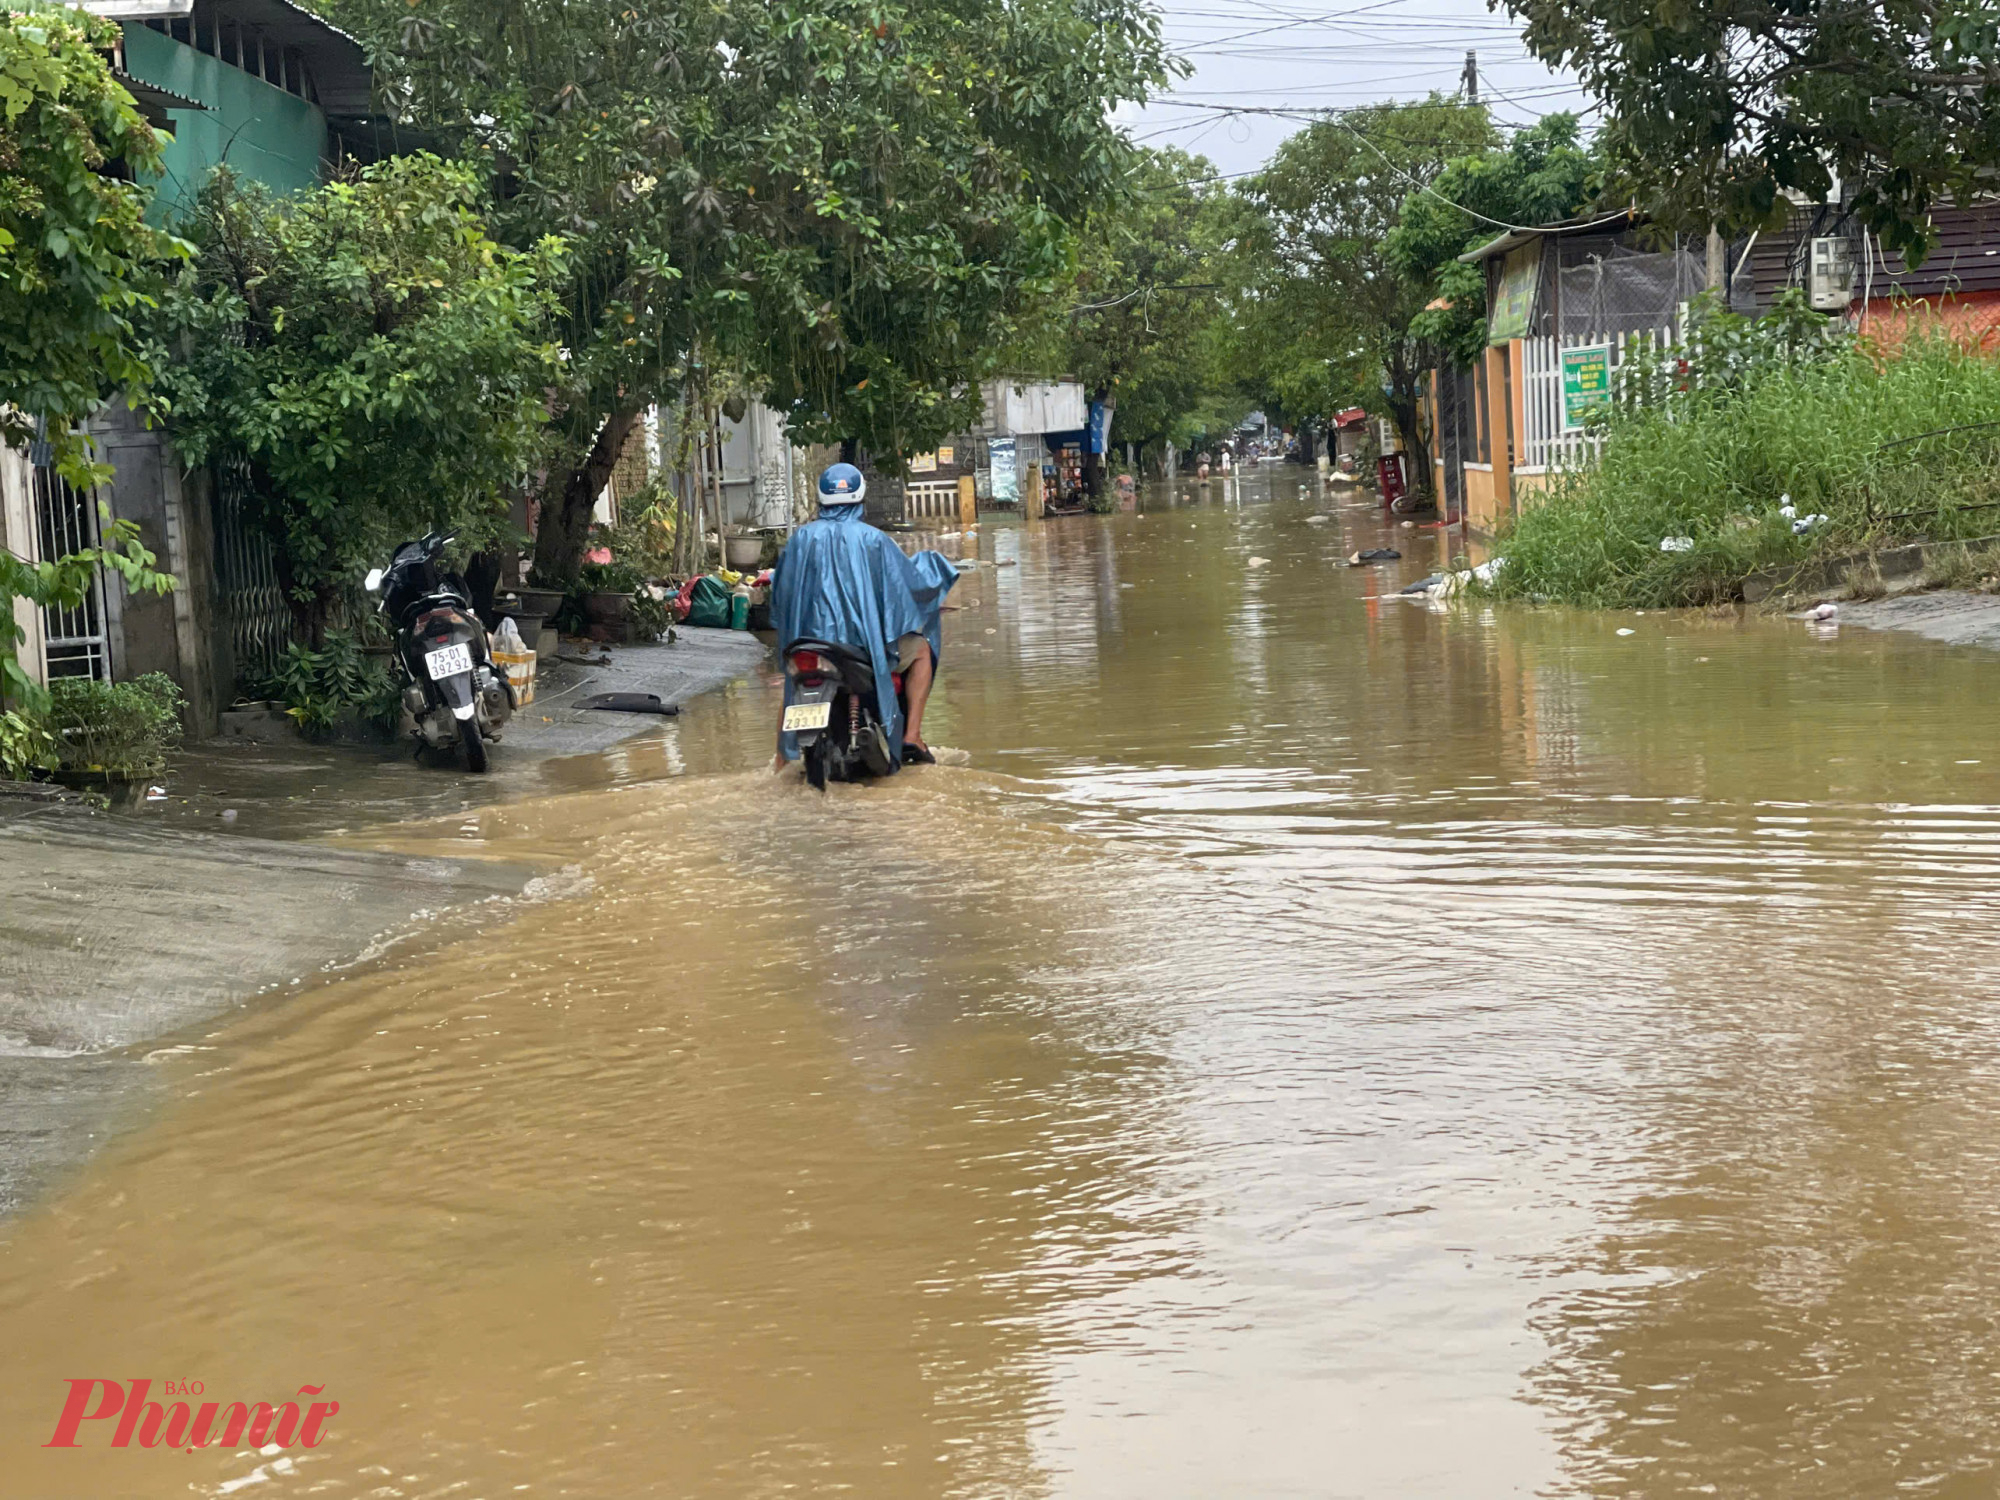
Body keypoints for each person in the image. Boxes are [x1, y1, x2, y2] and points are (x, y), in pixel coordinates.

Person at [770, 463, 958, 769]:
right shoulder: (874, 540)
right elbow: (907, 588)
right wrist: (934, 577)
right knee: (921, 651)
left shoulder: (799, 540)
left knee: (792, 685)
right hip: (859, 648)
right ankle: (912, 736)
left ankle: (780, 759)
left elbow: (780, 597)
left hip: (807, 644)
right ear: (860, 498)